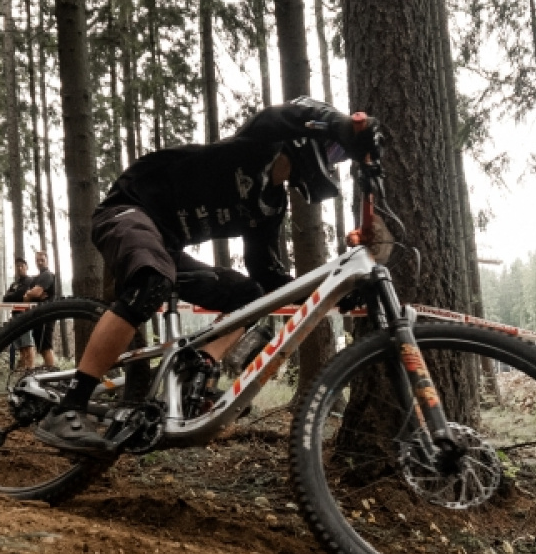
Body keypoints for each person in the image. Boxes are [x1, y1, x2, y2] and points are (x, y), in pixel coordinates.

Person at [36, 97, 369, 452]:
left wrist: (335, 292)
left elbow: (269, 277)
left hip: (167, 246)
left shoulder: (271, 207)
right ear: (309, 139)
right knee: (152, 281)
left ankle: (200, 364)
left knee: (249, 294)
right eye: (333, 152)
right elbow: (288, 113)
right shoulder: (259, 144)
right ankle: (68, 406)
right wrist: (344, 125)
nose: (332, 162)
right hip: (128, 210)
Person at [19, 250, 61, 370]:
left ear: (47, 260)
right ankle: (50, 372)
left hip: (46, 315)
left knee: (46, 348)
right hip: (38, 316)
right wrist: (31, 294)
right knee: (42, 348)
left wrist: (33, 294)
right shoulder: (36, 278)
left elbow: (35, 292)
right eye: (38, 260)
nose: (40, 262)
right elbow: (26, 298)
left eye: (42, 260)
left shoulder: (47, 275)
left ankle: (52, 374)